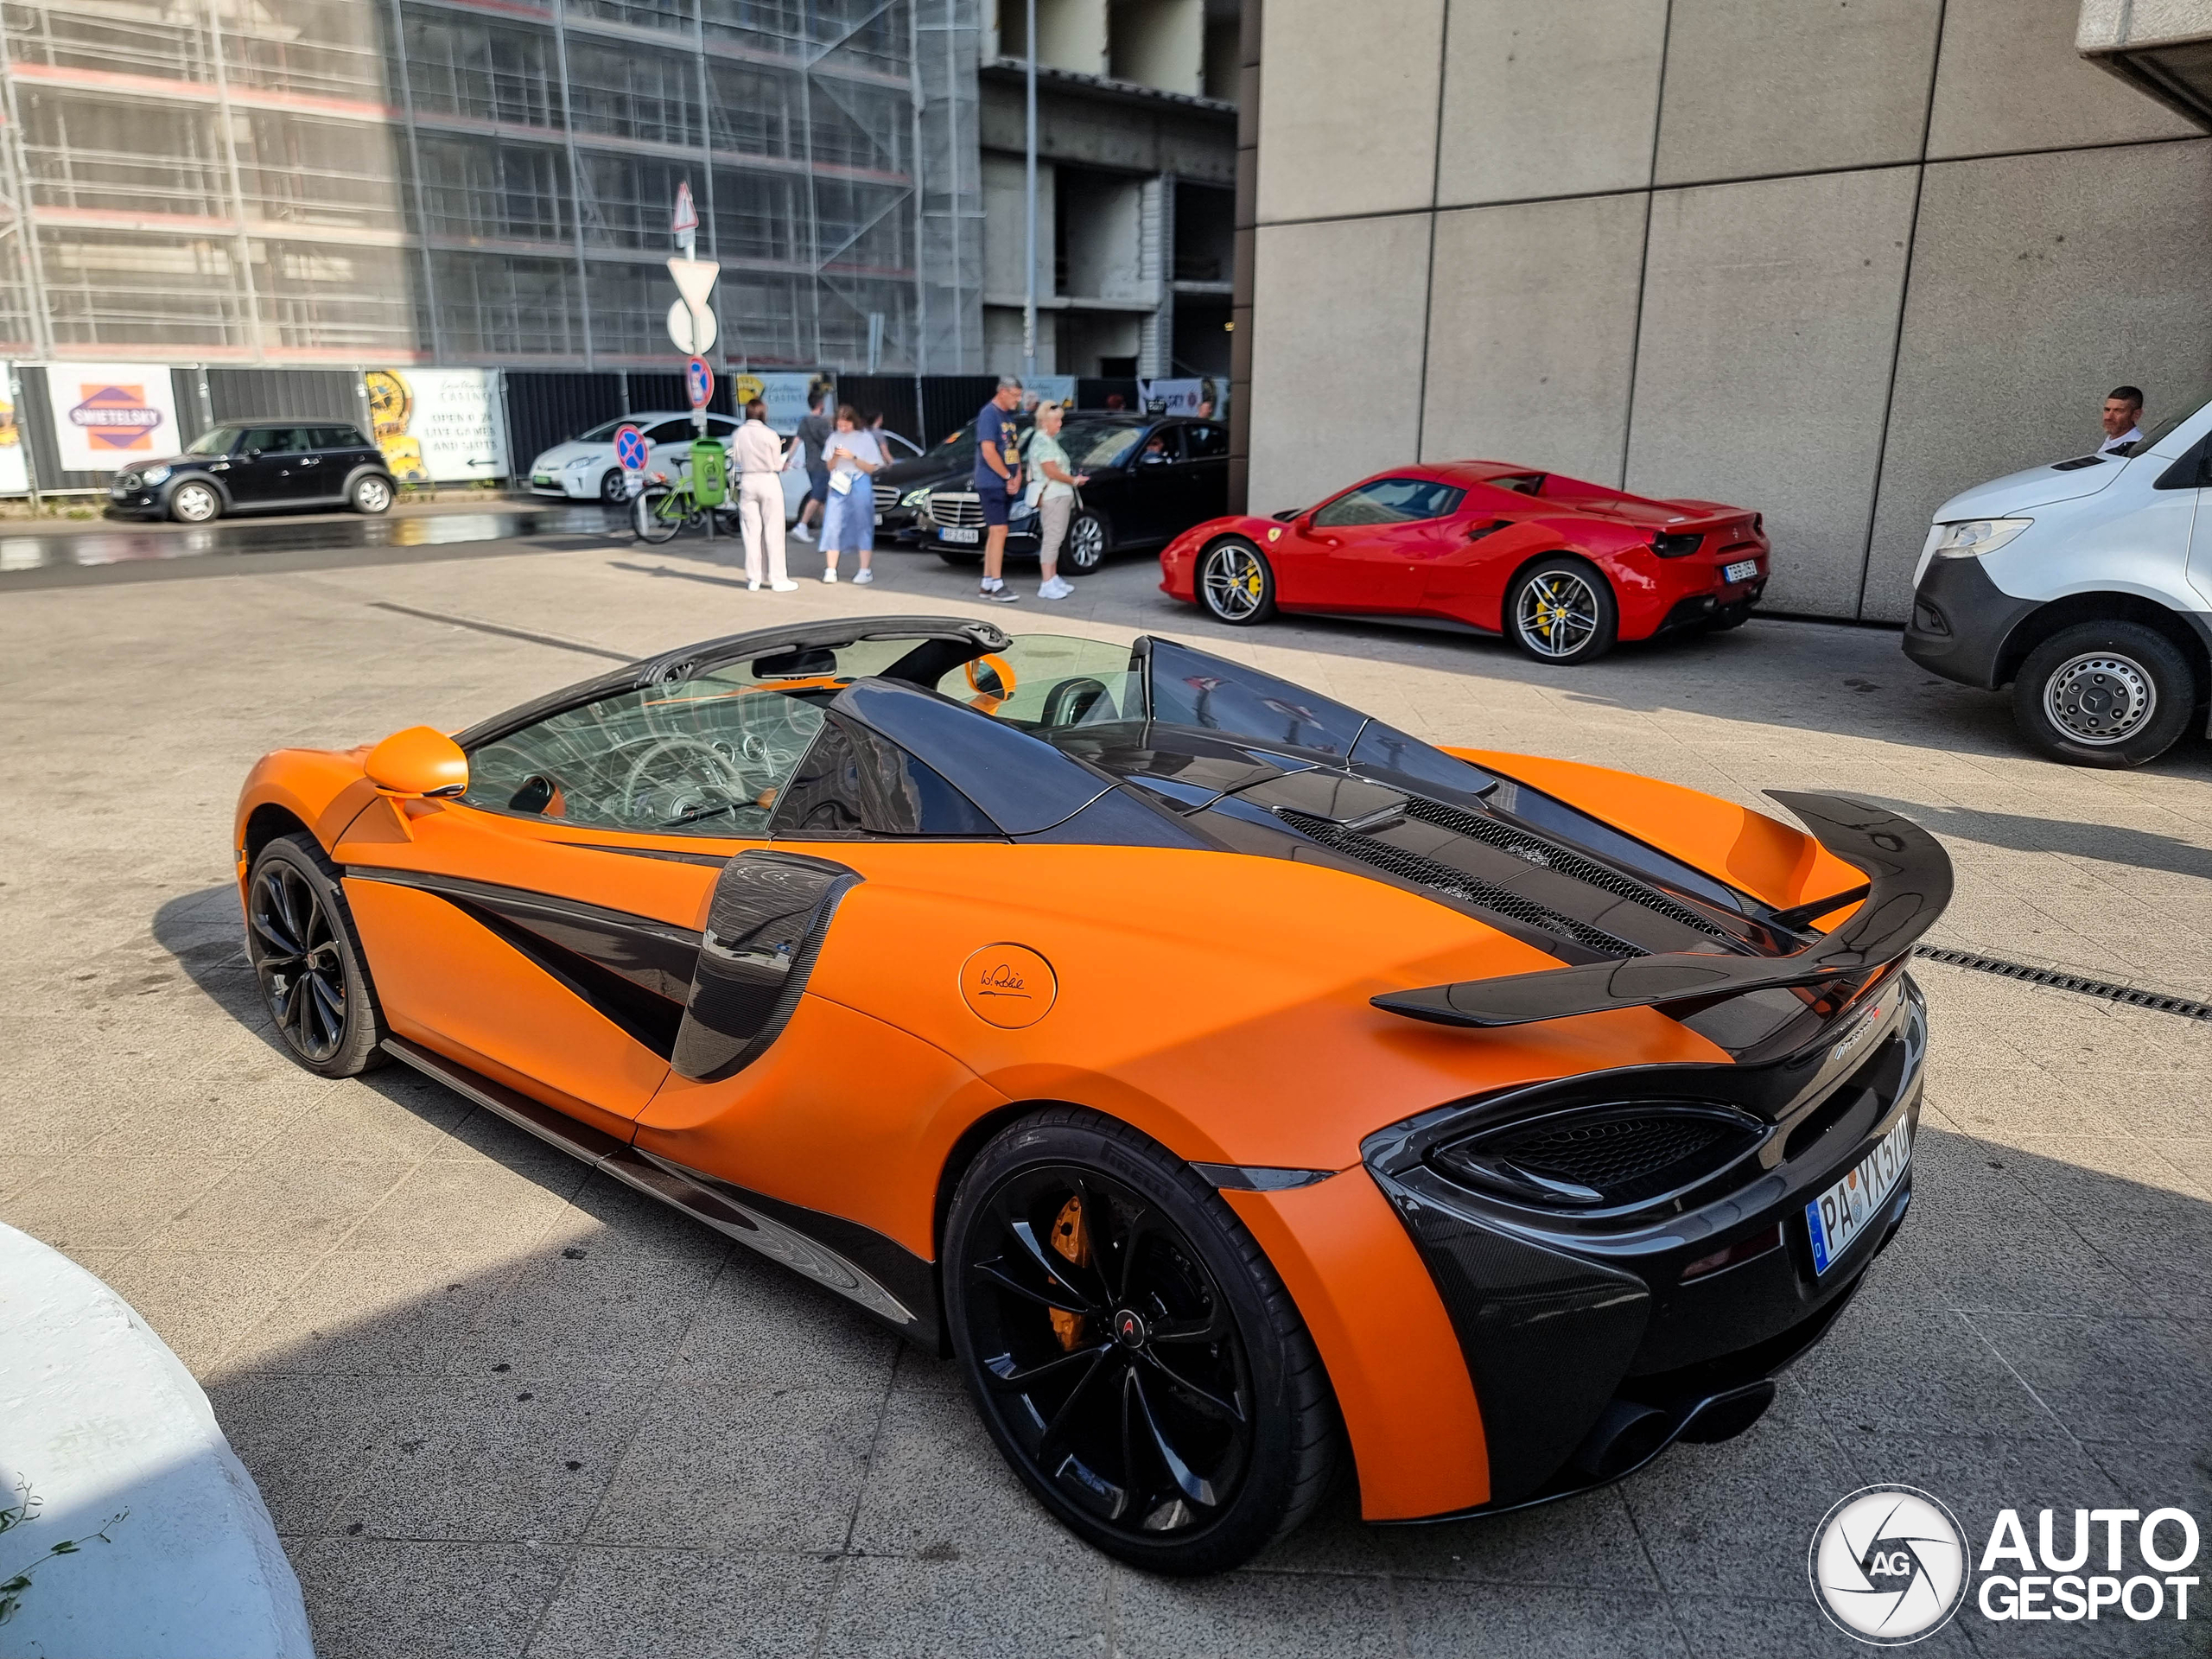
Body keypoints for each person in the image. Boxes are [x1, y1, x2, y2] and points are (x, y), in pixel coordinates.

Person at [731, 398, 800, 591]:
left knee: (751, 532)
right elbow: (776, 463)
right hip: (768, 480)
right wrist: (784, 463)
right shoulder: (770, 434)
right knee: (774, 530)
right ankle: (778, 578)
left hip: (747, 480)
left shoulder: (738, 433)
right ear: (763, 414)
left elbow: (736, 458)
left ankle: (754, 578)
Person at [1026, 401, 1089, 601]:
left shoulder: (1046, 440)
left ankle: (1052, 578)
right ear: (1044, 422)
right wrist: (1074, 480)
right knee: (1052, 539)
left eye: (1060, 419)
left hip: (1057, 496)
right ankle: (1046, 583)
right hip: (1054, 496)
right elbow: (1051, 471)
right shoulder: (1043, 441)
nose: (1060, 424)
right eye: (1056, 420)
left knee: (1056, 538)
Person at [818, 404, 885, 586]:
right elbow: (829, 466)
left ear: (853, 422)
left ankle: (865, 569)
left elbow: (872, 468)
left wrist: (853, 458)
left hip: (859, 480)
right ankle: (830, 569)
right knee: (832, 523)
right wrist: (836, 457)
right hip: (838, 482)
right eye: (840, 425)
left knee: (863, 524)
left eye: (846, 425)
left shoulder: (865, 438)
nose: (843, 429)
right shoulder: (833, 438)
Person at [973, 375, 1024, 604]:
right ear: (1002, 392)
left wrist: (1018, 475)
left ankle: (987, 582)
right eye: (1015, 395)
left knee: (997, 531)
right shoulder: (989, 414)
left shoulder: (1008, 416)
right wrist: (1006, 476)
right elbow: (988, 451)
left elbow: (1013, 448)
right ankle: (997, 584)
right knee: (999, 530)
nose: (1018, 400)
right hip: (991, 482)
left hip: (1005, 481)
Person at [791, 387, 833, 542]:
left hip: (810, 464)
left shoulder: (805, 421)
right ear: (821, 404)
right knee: (817, 496)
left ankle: (829, 530)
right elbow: (830, 443)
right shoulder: (823, 423)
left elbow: (796, 440)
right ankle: (801, 526)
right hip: (823, 465)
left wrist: (788, 458)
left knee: (821, 499)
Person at [2099, 385, 2145, 454]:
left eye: (2118, 411)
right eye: (2107, 410)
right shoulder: (2111, 441)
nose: (2108, 417)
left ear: (2136, 415)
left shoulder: (2136, 450)